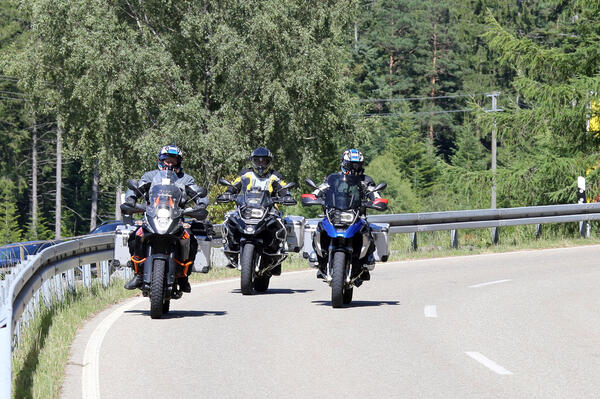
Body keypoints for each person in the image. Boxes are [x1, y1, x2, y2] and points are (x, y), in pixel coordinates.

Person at [123, 144, 209, 293]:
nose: (169, 164)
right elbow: (136, 188)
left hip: (177, 218)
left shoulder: (186, 179)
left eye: (173, 161)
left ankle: (184, 277)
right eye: (166, 160)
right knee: (134, 236)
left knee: (191, 240)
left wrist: (201, 203)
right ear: (160, 160)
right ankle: (138, 273)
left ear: (178, 162)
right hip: (153, 216)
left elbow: (197, 192)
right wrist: (131, 199)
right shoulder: (150, 176)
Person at [311, 148, 387, 280]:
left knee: (367, 232)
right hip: (334, 213)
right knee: (319, 228)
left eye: (357, 165)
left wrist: (377, 201)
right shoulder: (333, 179)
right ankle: (320, 259)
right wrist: (313, 196)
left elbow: (374, 193)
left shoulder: (365, 180)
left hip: (356, 216)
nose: (354, 168)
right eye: (351, 165)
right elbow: (321, 188)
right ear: (344, 164)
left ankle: (364, 261)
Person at [217, 147, 295, 269]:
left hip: (269, 210)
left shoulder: (275, 176)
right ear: (252, 161)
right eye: (257, 161)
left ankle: (276, 250)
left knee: (279, 224)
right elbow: (234, 185)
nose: (260, 163)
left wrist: (287, 196)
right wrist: (228, 193)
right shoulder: (245, 174)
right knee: (230, 220)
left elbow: (283, 188)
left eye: (263, 161)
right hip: (246, 209)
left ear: (268, 162)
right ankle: (233, 249)